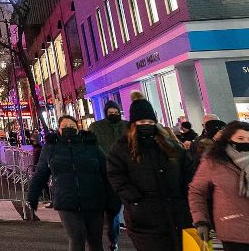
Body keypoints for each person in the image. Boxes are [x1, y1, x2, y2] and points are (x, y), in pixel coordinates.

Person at [106, 97, 196, 251]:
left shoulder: (170, 144)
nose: (146, 126)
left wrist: (184, 195)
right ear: (133, 124)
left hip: (177, 212)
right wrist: (134, 198)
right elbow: (115, 175)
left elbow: (187, 170)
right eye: (141, 123)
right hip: (144, 216)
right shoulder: (122, 147)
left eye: (150, 123)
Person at [27, 116, 117, 251]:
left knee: (95, 240)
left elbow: (106, 171)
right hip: (66, 201)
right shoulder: (51, 148)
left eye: (72, 126)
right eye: (65, 126)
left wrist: (113, 198)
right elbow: (40, 173)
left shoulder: (90, 145)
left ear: (78, 128)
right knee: (76, 239)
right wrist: (32, 195)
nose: (69, 128)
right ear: (58, 129)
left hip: (93, 199)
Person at [188, 120, 249, 251]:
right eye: (240, 138)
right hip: (234, 232)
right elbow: (196, 191)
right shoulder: (213, 162)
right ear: (228, 139)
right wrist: (201, 221)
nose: (245, 142)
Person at [91, 101, 129, 251]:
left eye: (116, 112)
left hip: (126, 173)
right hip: (106, 174)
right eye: (110, 112)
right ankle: (112, 239)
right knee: (112, 210)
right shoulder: (97, 128)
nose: (113, 114)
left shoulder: (127, 126)